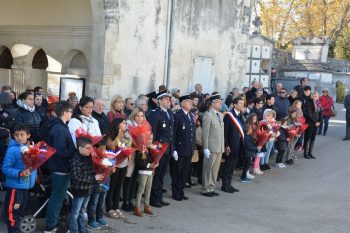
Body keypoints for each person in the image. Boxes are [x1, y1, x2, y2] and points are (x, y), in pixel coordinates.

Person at [44, 101, 75, 233]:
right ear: (64, 113)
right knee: (56, 198)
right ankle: (51, 226)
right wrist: (76, 151)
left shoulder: (61, 126)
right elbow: (59, 150)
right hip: (59, 167)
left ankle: (54, 223)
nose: (71, 114)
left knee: (59, 197)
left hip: (61, 167)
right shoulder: (59, 128)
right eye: (70, 111)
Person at [2, 123, 37, 233]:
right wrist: (20, 173)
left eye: (22, 135)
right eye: (16, 135)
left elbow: (35, 165)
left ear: (28, 135)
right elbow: (6, 169)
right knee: (13, 215)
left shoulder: (32, 147)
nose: (19, 137)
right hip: (15, 187)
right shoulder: (12, 150)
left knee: (20, 214)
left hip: (26, 186)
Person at [69, 136, 104, 233]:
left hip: (88, 189)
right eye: (88, 148)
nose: (91, 150)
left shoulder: (88, 157)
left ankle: (82, 229)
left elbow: (91, 171)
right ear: (80, 148)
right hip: (79, 190)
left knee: (82, 211)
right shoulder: (75, 159)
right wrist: (94, 178)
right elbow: (76, 177)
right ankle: (74, 230)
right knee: (75, 212)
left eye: (91, 147)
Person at [148, 90, 174, 207]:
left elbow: (171, 132)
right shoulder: (155, 114)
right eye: (166, 100)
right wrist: (153, 150)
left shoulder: (170, 113)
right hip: (159, 148)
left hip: (168, 147)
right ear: (159, 101)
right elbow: (152, 133)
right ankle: (154, 199)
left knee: (162, 174)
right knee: (156, 174)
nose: (169, 101)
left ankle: (159, 197)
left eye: (169, 100)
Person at [105, 118, 132, 218]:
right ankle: (109, 208)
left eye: (126, 123)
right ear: (117, 125)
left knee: (118, 187)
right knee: (111, 187)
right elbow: (111, 147)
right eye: (123, 123)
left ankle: (116, 207)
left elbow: (129, 148)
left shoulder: (127, 135)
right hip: (114, 165)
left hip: (124, 164)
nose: (126, 124)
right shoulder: (111, 135)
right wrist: (118, 137)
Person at [171, 94, 196, 201]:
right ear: (182, 104)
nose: (190, 104)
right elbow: (173, 134)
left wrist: (193, 147)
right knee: (177, 172)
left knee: (185, 172)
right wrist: (174, 149)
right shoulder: (177, 116)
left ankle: (181, 191)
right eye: (188, 102)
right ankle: (176, 192)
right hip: (180, 149)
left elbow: (192, 134)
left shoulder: (191, 115)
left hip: (188, 149)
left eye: (190, 102)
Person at [201, 94, 224, 197]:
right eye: (218, 102)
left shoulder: (220, 115)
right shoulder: (208, 115)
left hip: (219, 147)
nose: (220, 103)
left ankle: (212, 187)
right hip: (211, 146)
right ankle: (206, 188)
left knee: (215, 169)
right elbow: (205, 133)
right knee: (208, 169)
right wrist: (205, 147)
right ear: (213, 103)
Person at [123, 108, 145, 212]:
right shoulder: (128, 124)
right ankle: (125, 201)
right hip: (130, 154)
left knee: (134, 178)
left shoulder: (143, 125)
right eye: (138, 116)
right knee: (128, 177)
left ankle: (130, 199)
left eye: (141, 116)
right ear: (133, 116)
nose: (140, 118)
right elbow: (126, 138)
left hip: (139, 155)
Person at [222, 97, 245, 192]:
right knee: (228, 165)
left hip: (238, 144)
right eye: (240, 103)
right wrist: (226, 145)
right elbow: (225, 132)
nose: (242, 105)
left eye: (243, 103)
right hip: (230, 144)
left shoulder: (240, 115)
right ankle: (225, 185)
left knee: (233, 166)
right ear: (235, 104)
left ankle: (229, 184)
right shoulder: (229, 115)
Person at [134, 136, 159, 217]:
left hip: (150, 172)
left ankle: (146, 205)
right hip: (143, 172)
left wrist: (155, 164)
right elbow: (138, 162)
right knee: (141, 189)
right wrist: (149, 165)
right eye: (148, 139)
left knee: (148, 189)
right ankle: (137, 207)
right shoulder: (140, 149)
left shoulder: (150, 149)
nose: (150, 141)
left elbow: (153, 158)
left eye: (151, 139)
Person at [302, 87, 322, 159]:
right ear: (311, 96)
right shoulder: (308, 102)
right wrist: (315, 121)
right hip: (310, 123)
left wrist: (319, 122)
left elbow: (320, 114)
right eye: (313, 95)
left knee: (313, 138)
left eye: (316, 96)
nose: (315, 97)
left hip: (316, 124)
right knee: (307, 138)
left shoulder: (319, 103)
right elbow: (309, 113)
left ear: (318, 97)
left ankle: (310, 152)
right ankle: (305, 153)